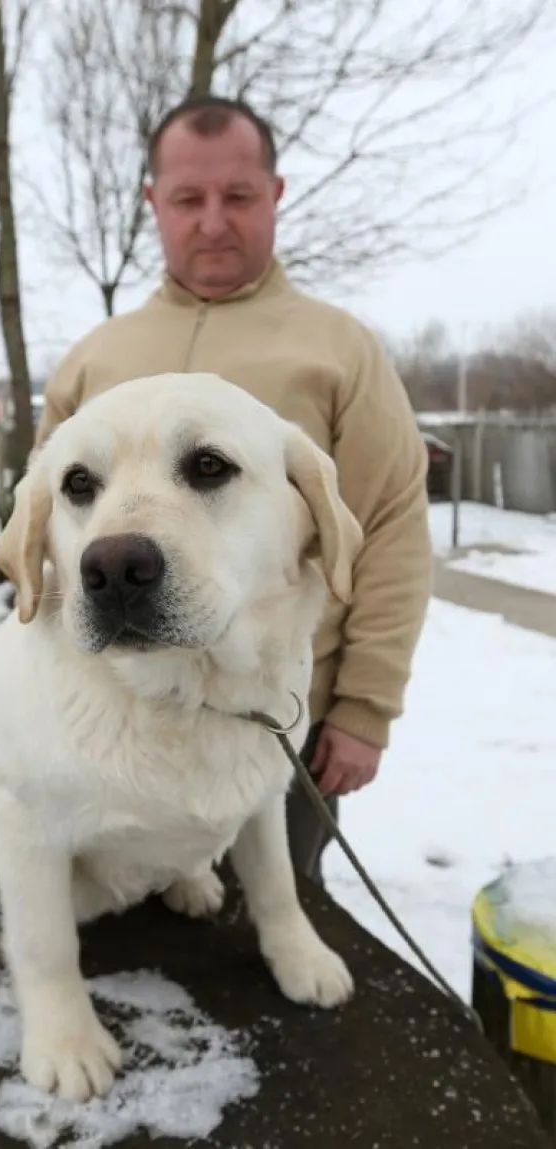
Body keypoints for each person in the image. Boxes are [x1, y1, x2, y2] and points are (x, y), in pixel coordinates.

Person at [32, 94, 433, 885]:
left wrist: (363, 709)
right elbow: (42, 533)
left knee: (279, 931)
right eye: (188, 199)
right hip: (110, 734)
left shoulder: (338, 350)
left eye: (238, 196)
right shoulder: (92, 359)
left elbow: (390, 528)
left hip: (278, 725)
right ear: (154, 203)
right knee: (119, 941)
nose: (213, 221)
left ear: (275, 195)